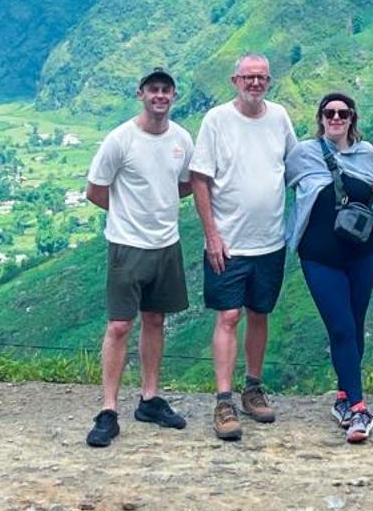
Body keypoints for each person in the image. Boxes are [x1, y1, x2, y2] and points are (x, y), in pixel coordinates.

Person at [84, 68, 195, 450]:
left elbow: (184, 184)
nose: (159, 96)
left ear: (173, 96)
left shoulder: (182, 139)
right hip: (127, 244)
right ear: (141, 94)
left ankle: (149, 398)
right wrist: (125, 216)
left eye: (166, 90)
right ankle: (109, 409)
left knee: (155, 319)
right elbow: (95, 190)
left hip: (166, 243)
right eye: (153, 90)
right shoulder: (121, 139)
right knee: (119, 325)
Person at [190, 53, 297, 441]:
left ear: (269, 82)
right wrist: (212, 235)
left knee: (260, 312)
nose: (255, 83)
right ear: (235, 80)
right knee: (228, 316)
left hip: (270, 239)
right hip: (229, 242)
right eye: (248, 77)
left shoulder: (279, 118)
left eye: (262, 78)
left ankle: (252, 388)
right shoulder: (217, 121)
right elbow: (199, 179)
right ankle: (223, 400)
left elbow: (295, 164)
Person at [287, 91, 373, 443]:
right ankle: (360, 410)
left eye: (343, 113)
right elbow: (272, 182)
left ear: (352, 119)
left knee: (356, 322)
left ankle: (344, 396)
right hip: (319, 255)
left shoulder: (366, 154)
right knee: (341, 326)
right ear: (320, 118)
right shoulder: (303, 154)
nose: (336, 118)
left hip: (362, 252)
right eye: (329, 113)